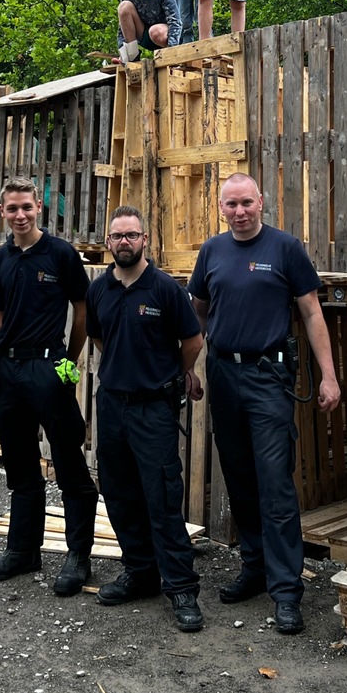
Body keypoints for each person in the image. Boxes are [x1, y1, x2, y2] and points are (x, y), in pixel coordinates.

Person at [187, 173, 341, 634]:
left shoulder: (285, 248)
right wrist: (187, 368)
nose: (239, 212)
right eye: (230, 204)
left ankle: (286, 590)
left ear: (262, 203)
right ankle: (254, 568)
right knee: (239, 477)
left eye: (246, 203)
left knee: (275, 483)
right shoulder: (212, 251)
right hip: (223, 373)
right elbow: (196, 311)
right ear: (220, 206)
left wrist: (328, 376)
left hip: (267, 377)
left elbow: (312, 312)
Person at [0, 177, 99, 597]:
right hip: (10, 373)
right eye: (13, 209)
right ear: (3, 213)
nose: (21, 215)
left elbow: (82, 310)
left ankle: (78, 556)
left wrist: (70, 359)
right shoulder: (0, 259)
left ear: (38, 209)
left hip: (49, 369)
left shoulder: (61, 254)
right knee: (20, 466)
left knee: (69, 464)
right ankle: (22, 551)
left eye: (27, 207)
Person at [86, 206, 205, 632]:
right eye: (117, 236)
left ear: (145, 240)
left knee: (161, 496)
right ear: (108, 242)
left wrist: (172, 372)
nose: (124, 242)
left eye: (131, 235)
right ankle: (140, 573)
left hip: (153, 407)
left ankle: (182, 588)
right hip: (112, 404)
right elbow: (99, 336)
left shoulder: (164, 289)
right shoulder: (99, 290)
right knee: (118, 493)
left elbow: (192, 339)